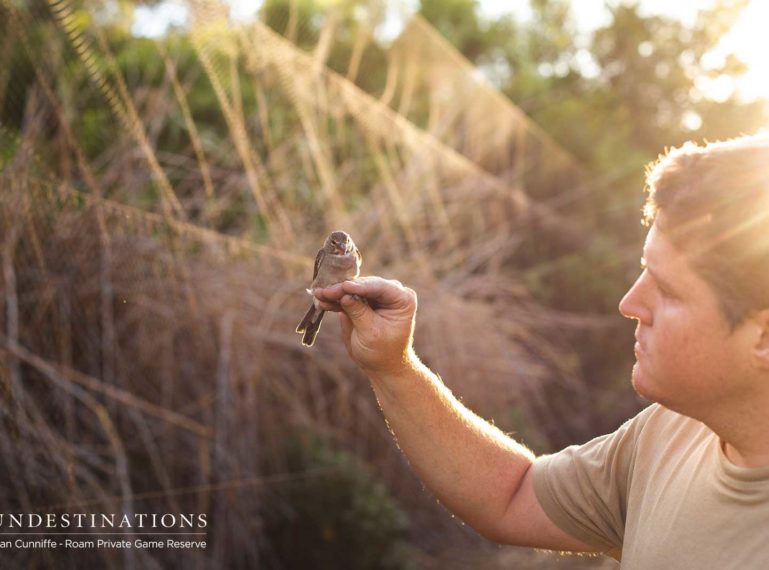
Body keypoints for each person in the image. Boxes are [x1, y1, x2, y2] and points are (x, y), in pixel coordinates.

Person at [312, 133, 769, 568]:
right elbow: (511, 497)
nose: (629, 304)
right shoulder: (672, 432)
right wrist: (393, 366)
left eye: (667, 290)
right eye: (643, 269)